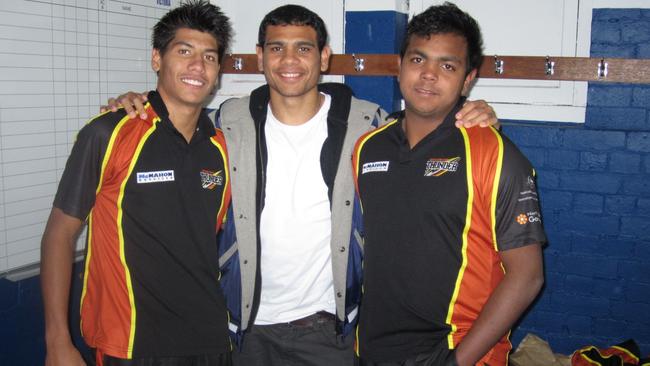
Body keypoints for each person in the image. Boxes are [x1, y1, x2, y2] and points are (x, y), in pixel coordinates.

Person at [102, 5, 499, 365]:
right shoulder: (227, 121)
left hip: (330, 331)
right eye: (276, 48)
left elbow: (426, 121)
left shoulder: (369, 125)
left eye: (304, 49)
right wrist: (137, 100)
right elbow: (177, 112)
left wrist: (471, 112)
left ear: (324, 57)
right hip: (243, 329)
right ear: (260, 56)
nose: (289, 60)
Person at [40, 1, 233, 365]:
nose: (197, 66)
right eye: (184, 51)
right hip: (129, 344)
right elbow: (58, 235)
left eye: (209, 57)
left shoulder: (220, 146)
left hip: (211, 340)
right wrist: (57, 341)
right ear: (156, 59)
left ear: (218, 70)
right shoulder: (108, 133)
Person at [351, 3, 545, 365]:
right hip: (372, 351)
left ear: (468, 79)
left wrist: (457, 361)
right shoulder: (367, 148)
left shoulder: (495, 154)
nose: (428, 75)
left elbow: (528, 276)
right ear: (399, 66)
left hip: (458, 353)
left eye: (447, 65)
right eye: (418, 60)